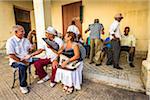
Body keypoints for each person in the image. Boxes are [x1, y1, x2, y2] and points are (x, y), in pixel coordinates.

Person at [6, 25, 33, 94]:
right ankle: (23, 85)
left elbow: (30, 49)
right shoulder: (10, 41)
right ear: (15, 32)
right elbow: (11, 55)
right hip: (16, 61)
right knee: (22, 67)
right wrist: (23, 61)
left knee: (39, 60)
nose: (24, 33)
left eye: (23, 31)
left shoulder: (25, 40)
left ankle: (40, 74)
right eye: (22, 31)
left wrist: (31, 48)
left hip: (26, 59)